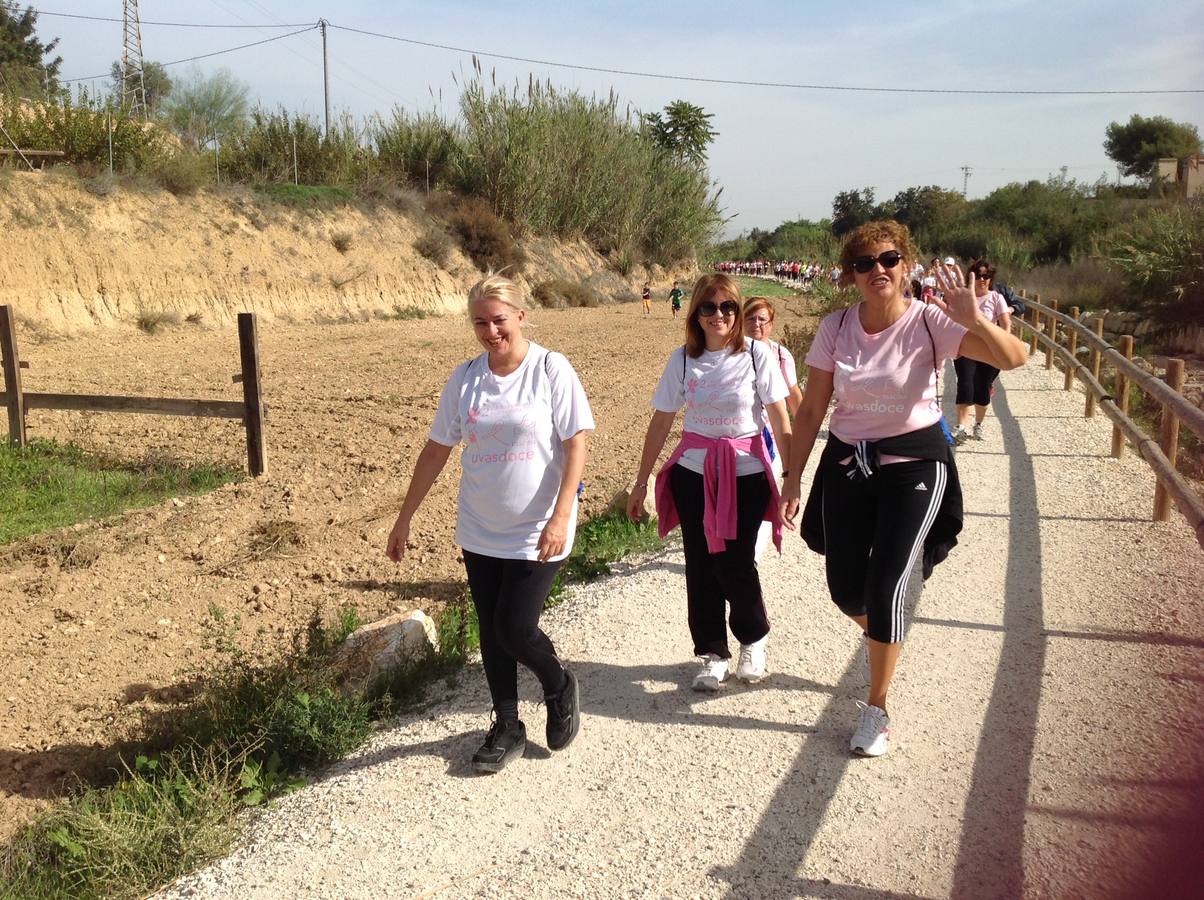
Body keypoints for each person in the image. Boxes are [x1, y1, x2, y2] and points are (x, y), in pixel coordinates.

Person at [779, 221, 1027, 757]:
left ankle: (877, 708)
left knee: (888, 583)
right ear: (851, 275)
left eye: (888, 259)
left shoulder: (930, 322)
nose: (878, 271)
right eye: (864, 264)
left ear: (906, 263)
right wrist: (793, 476)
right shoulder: (836, 327)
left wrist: (973, 323)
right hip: (848, 462)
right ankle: (886, 635)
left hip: (915, 463)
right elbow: (812, 412)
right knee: (847, 589)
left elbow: (1015, 358)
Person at [386, 273, 595, 774]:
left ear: (521, 316)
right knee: (490, 628)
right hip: (480, 527)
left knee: (514, 628)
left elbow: (576, 443)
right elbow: (437, 448)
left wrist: (562, 514)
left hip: (538, 527)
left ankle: (558, 682)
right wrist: (405, 516)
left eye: (499, 320)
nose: (490, 331)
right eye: (480, 322)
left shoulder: (550, 368)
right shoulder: (465, 378)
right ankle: (506, 725)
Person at [626, 274, 792, 689]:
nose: (718, 315)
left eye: (728, 307)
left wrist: (791, 477)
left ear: (737, 312)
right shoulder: (683, 359)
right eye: (708, 307)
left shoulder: (756, 355)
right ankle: (712, 653)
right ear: (696, 313)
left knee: (735, 561)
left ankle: (753, 637)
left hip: (746, 473)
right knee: (700, 564)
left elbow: (778, 415)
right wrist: (641, 480)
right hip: (694, 474)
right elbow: (662, 419)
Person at [743, 296, 805, 560]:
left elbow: (793, 395)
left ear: (771, 323)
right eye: (750, 318)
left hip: (772, 436)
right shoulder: (731, 352)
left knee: (765, 493)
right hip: (743, 437)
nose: (756, 324)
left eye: (762, 319)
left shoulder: (780, 355)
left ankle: (752, 555)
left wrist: (804, 430)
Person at [951, 259, 1012, 443]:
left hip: (989, 348)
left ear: (991, 278)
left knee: (982, 387)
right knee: (965, 382)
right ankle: (961, 426)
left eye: (986, 276)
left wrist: (1004, 344)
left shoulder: (996, 298)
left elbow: (1005, 323)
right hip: (966, 345)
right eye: (978, 276)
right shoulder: (964, 296)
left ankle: (978, 424)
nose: (982, 279)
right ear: (971, 277)